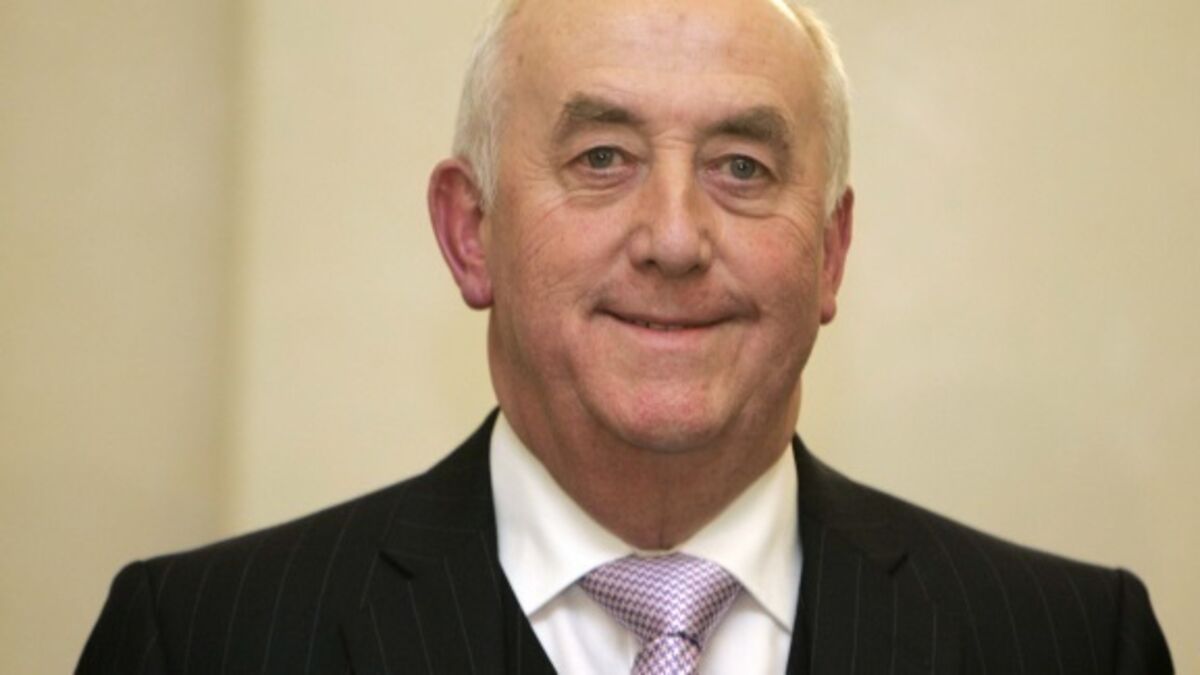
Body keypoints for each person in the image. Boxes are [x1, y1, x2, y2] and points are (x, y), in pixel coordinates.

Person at [78, 0, 1173, 672]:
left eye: (742, 167)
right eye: (602, 158)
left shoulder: (1074, 646)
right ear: (471, 233)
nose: (675, 238)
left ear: (830, 254)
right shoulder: (204, 641)